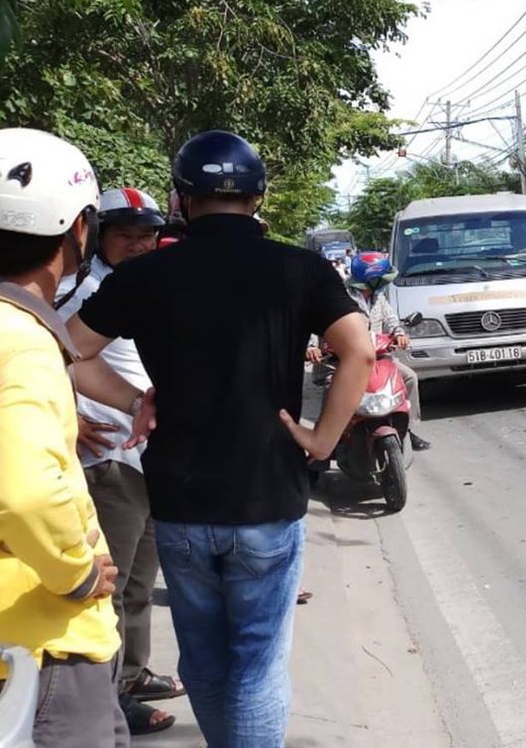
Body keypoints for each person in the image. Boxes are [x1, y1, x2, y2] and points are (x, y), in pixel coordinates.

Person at [66, 130, 374, 747]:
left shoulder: (144, 275)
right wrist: (321, 440)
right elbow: (360, 350)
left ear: (181, 198)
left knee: (205, 661)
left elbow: (69, 350)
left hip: (179, 501)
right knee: (257, 664)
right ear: (259, 195)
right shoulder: (300, 267)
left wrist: (134, 402)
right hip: (267, 497)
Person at [0, 127, 126, 747]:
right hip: (36, 645)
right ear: (77, 229)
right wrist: (75, 571)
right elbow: (26, 495)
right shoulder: (20, 341)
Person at [56, 187, 183, 737]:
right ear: (95, 236)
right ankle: (109, 697)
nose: (138, 244)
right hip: (108, 459)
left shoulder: (151, 283)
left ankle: (131, 675)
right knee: (108, 582)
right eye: (124, 234)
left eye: (146, 234)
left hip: (148, 455)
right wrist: (70, 419)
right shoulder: (79, 290)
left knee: (139, 579)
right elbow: (45, 351)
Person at [310, 253, 431, 451]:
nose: (385, 282)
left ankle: (407, 429)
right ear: (372, 279)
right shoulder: (339, 295)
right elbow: (319, 321)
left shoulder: (379, 297)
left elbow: (392, 321)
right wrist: (312, 347)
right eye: (382, 278)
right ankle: (323, 440)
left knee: (409, 378)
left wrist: (400, 333)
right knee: (331, 387)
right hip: (344, 359)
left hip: (379, 358)